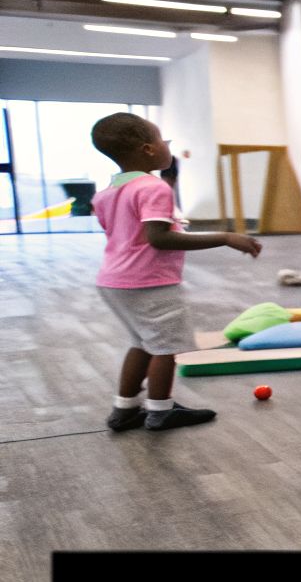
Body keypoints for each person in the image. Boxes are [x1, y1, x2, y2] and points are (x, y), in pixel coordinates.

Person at [89, 113, 261, 431]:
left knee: (142, 343)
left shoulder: (106, 193)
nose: (166, 144)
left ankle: (124, 409)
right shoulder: (154, 188)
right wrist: (226, 237)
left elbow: (120, 236)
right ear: (148, 150)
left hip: (114, 281)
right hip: (149, 283)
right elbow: (159, 238)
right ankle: (161, 410)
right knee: (165, 347)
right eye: (160, 138)